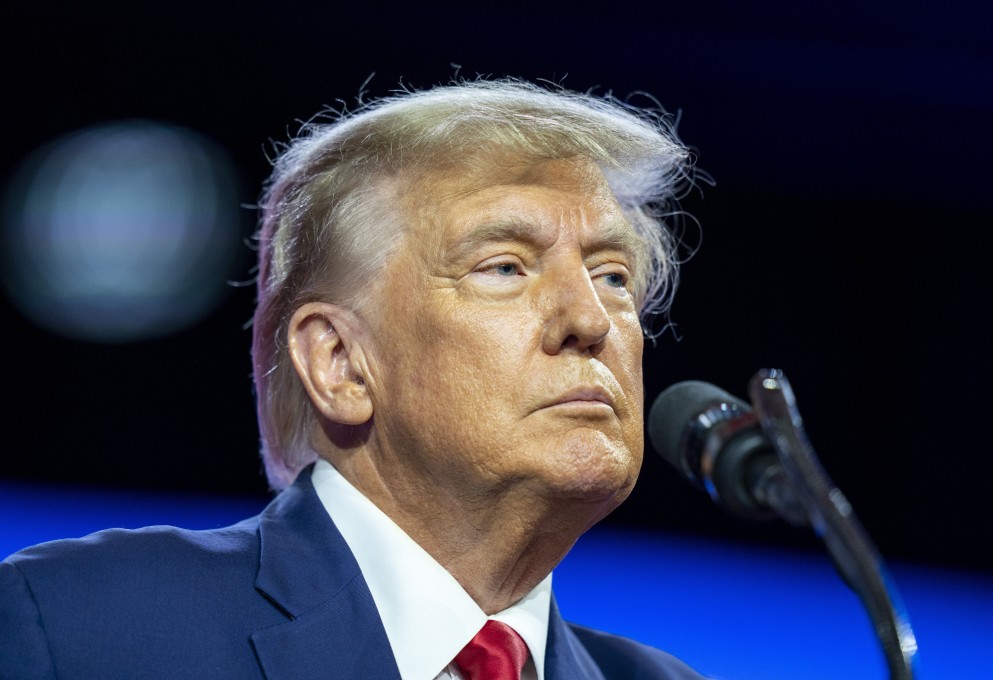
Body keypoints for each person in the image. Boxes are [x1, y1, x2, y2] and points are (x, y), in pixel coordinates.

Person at [0, 79, 706, 679]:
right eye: (505, 267)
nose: (591, 319)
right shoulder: (78, 628)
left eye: (613, 276)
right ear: (339, 363)